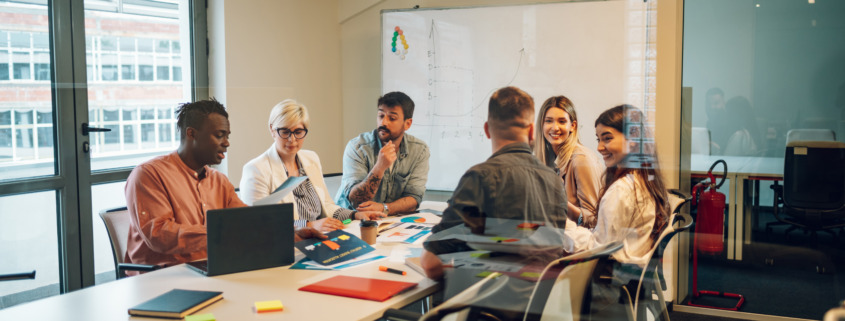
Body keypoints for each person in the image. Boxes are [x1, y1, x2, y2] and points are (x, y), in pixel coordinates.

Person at [124, 98, 323, 268]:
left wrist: (293, 233)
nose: (227, 143)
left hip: (213, 267)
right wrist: (228, 232)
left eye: (227, 136)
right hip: (162, 276)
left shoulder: (218, 181)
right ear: (191, 134)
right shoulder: (148, 175)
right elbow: (160, 236)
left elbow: (249, 221)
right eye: (219, 135)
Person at [421, 87, 568, 280]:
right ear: (532, 131)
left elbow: (431, 264)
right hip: (541, 304)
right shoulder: (555, 181)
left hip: (491, 304)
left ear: (486, 130)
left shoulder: (479, 177)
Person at [240, 99, 385, 231]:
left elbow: (326, 206)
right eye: (285, 132)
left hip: (322, 237)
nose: (292, 139)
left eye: (298, 132)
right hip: (289, 246)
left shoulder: (311, 158)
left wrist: (355, 215)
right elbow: (259, 223)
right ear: (272, 129)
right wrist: (309, 225)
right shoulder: (256, 170)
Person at [564, 105, 669, 265]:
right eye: (598, 139)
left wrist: (563, 227)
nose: (599, 147)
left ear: (632, 139)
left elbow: (598, 248)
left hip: (611, 276)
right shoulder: (643, 178)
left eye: (607, 138)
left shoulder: (622, 190)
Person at [335, 91, 430, 216]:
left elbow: (414, 198)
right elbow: (357, 200)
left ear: (407, 124)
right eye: (380, 116)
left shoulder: (419, 150)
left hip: (390, 219)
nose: (383, 122)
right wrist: (380, 167)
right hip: (351, 219)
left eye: (392, 118)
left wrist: (384, 208)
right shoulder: (357, 147)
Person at [533, 95, 604, 228]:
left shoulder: (582, 159)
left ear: (572, 126)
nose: (555, 127)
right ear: (541, 125)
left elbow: (595, 220)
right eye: (549, 121)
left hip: (580, 245)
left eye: (562, 121)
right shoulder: (545, 159)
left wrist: (561, 204)